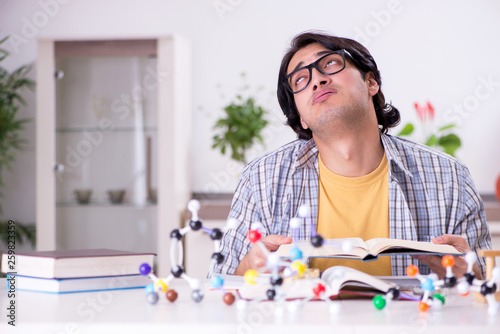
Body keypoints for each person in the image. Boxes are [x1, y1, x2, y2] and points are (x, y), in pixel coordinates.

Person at [213, 31, 491, 279]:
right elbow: (219, 288)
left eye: (330, 64)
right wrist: (250, 266)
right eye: (300, 78)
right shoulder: (261, 178)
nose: (317, 80)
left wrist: (472, 275)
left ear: (371, 83)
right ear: (302, 118)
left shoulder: (450, 178)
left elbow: (488, 289)